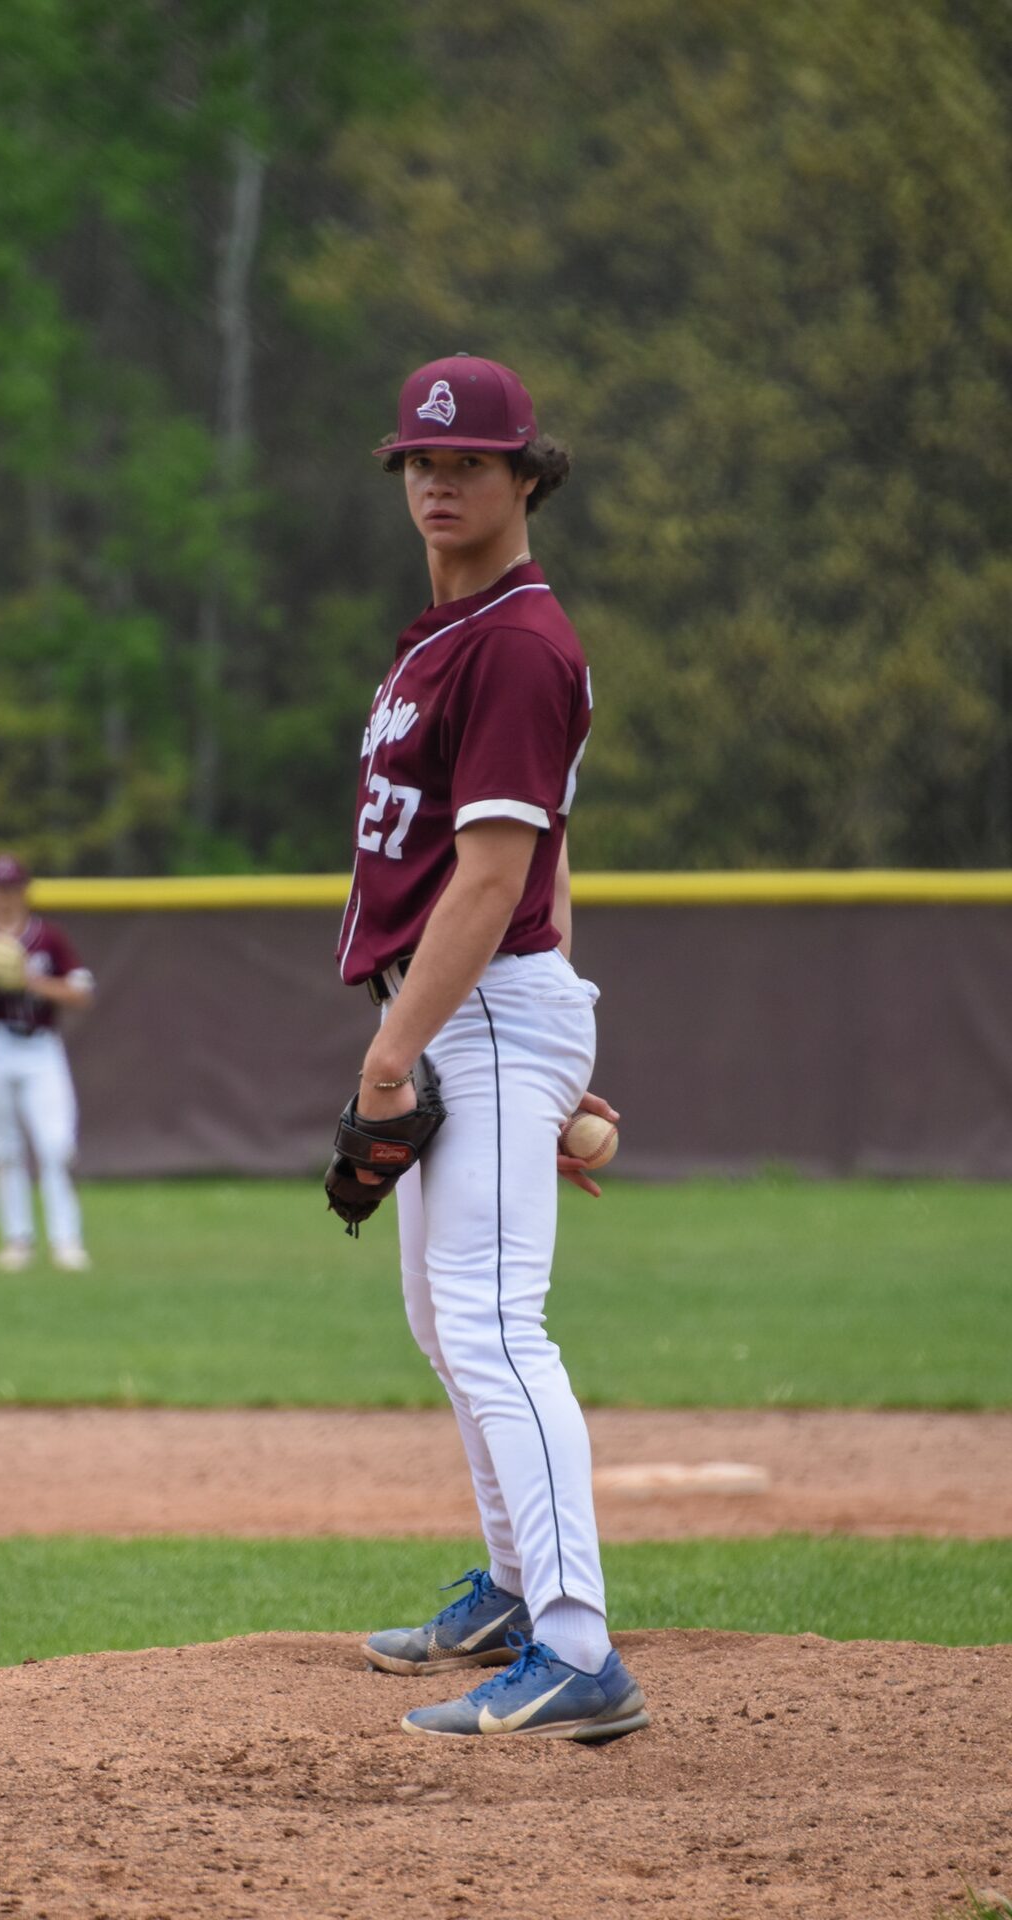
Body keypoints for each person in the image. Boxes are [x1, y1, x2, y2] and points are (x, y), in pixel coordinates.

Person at [335, 354, 649, 1743]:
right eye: (420, 460)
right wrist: (543, 1031)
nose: (439, 480)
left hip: (472, 1006)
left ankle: (579, 1647)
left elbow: (495, 871)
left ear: (529, 476)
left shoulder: (519, 641)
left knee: (492, 1321)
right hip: (483, 1009)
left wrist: (398, 1058)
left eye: (468, 461)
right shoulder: (444, 634)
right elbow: (552, 862)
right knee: (444, 1317)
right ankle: (521, 1595)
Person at [0, 853, 95, 1272]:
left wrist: (30, 980)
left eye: (11, 889)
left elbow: (81, 993)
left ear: (24, 891)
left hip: (41, 1048)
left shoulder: (49, 939)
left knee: (56, 1145)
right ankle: (18, 1241)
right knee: (4, 1149)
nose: (4, 898)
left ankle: (66, 1242)